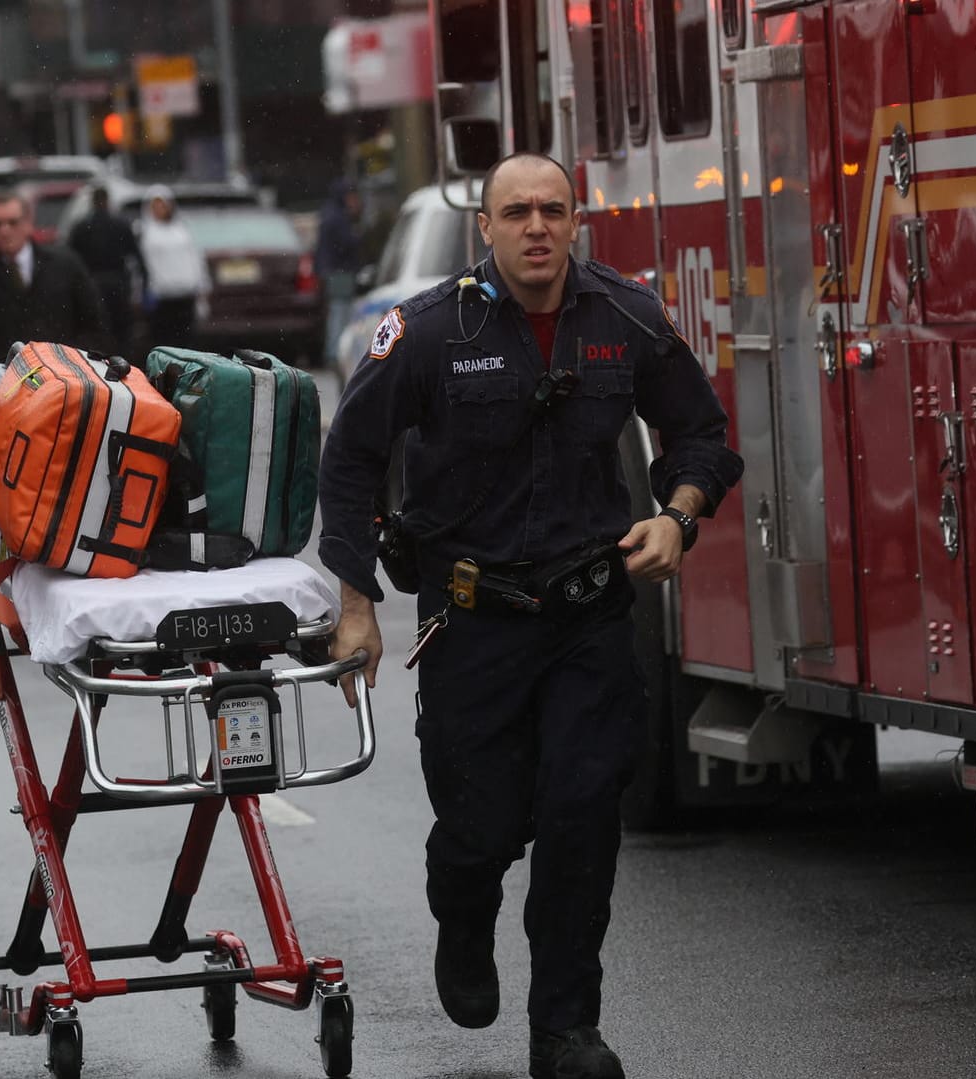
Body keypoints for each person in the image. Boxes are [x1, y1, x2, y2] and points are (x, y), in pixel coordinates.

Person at [317, 152, 744, 1079]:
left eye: (553, 210)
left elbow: (704, 436)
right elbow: (351, 457)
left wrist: (678, 516)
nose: (537, 227)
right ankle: (463, 920)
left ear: (578, 220)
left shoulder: (625, 315)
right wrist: (356, 605)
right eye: (517, 212)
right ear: (487, 226)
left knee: (583, 815)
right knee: (482, 827)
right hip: (473, 622)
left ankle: (565, 1028)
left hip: (590, 617)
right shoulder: (429, 331)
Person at [0, 187, 112, 367]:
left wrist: (73, 361)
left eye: (12, 222)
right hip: (2, 377)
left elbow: (95, 322)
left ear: (28, 223)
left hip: (58, 374)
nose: (5, 231)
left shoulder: (63, 263)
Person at [67, 184, 143, 349]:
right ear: (107, 201)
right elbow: (137, 257)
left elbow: (71, 259)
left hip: (92, 283)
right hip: (118, 283)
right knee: (121, 332)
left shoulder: (81, 227)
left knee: (97, 330)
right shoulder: (121, 225)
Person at [135, 184, 209, 349]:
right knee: (165, 342)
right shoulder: (144, 232)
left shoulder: (181, 230)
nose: (160, 209)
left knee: (186, 341)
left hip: (185, 295)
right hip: (162, 298)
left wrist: (201, 287)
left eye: (163, 205)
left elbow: (195, 259)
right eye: (155, 205)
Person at [314, 178, 365, 367]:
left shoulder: (329, 214)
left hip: (332, 270)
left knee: (337, 310)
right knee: (341, 310)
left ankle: (334, 351)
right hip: (340, 271)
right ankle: (336, 352)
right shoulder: (338, 217)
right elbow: (347, 243)